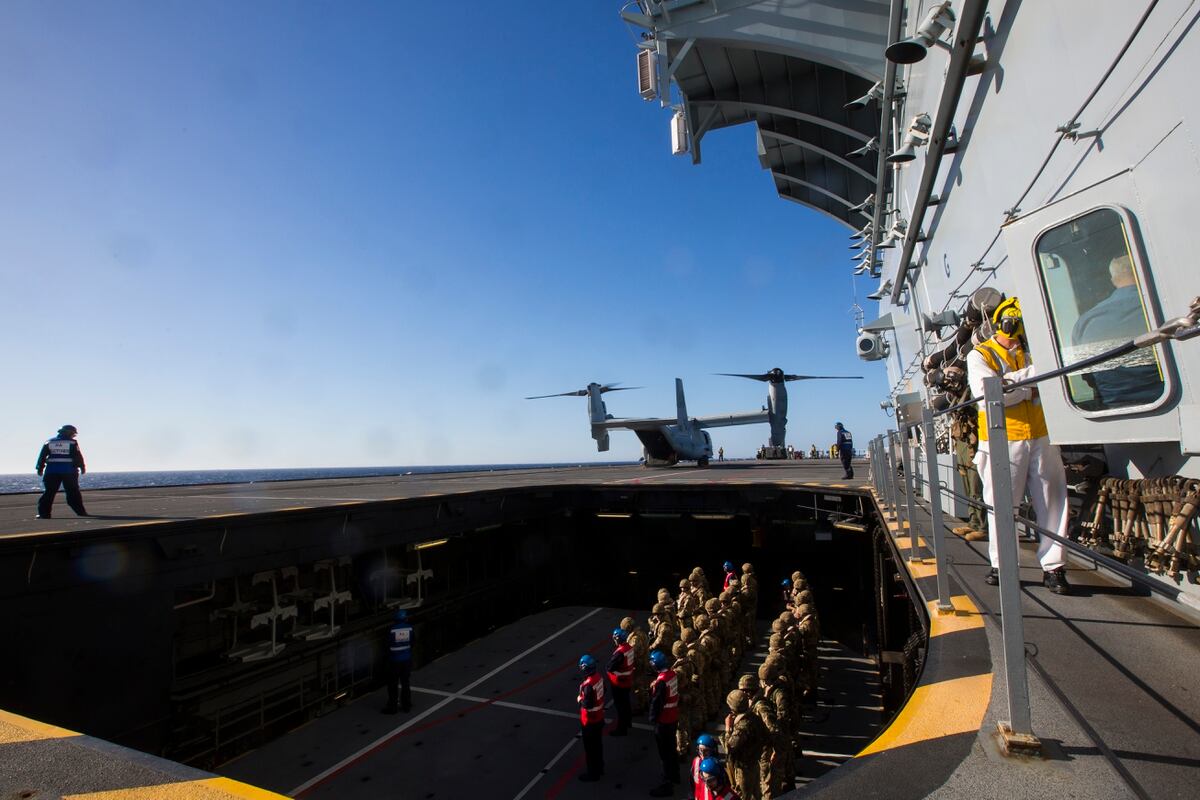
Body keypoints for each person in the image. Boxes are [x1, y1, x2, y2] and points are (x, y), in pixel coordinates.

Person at [967, 296, 1073, 595]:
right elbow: (990, 394)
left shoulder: (1034, 352)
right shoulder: (980, 355)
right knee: (1001, 506)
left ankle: (1054, 568)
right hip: (1002, 437)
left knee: (1054, 503)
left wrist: (1015, 386)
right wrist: (1033, 384)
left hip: (1041, 434)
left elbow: (1054, 384)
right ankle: (1003, 566)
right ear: (1008, 322)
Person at [1070, 254, 1161, 406]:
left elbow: (1086, 374)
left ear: (1113, 280)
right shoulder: (1159, 306)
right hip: (1165, 394)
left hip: (1115, 406)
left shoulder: (1085, 321)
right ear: (1140, 272)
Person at [36, 425, 89, 519]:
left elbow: (42, 456)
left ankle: (44, 514)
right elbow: (78, 456)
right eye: (73, 434)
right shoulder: (72, 443)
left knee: (49, 493)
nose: (74, 436)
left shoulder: (49, 442)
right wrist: (82, 467)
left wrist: (40, 468)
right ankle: (81, 512)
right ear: (69, 433)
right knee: (73, 492)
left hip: (51, 471)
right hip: (69, 471)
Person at [648, 649, 681, 797]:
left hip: (664, 720)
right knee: (672, 750)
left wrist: (653, 719)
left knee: (664, 754)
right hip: (673, 717)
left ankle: (666, 784)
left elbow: (657, 702)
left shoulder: (661, 682)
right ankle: (675, 776)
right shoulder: (672, 675)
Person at [577, 653, 606, 782]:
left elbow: (587, 704)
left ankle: (593, 773)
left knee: (590, 749)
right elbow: (604, 690)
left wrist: (579, 700)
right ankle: (600, 767)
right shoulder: (598, 678)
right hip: (599, 717)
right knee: (598, 745)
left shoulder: (588, 685)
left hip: (590, 721)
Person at [382, 608, 413, 713]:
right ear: (405, 618)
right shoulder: (410, 628)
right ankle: (406, 705)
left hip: (394, 661)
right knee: (405, 683)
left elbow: (386, 645)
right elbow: (413, 641)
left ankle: (393, 707)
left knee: (392, 684)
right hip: (406, 660)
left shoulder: (391, 630)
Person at [606, 627, 634, 736]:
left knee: (620, 707)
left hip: (619, 683)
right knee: (626, 704)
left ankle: (621, 729)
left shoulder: (620, 653)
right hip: (627, 681)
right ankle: (628, 722)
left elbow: (610, 667)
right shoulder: (629, 648)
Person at [691, 734, 719, 800]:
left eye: (706, 750)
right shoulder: (696, 761)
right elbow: (693, 782)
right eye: (701, 750)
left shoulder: (715, 765)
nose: (703, 754)